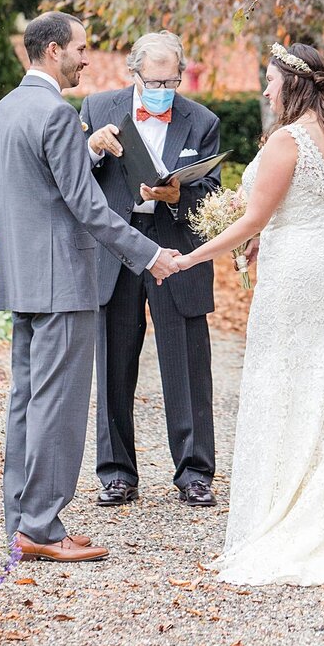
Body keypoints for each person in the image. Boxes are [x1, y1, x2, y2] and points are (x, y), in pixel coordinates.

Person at [177, 41, 324, 586]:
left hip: (300, 274)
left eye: (270, 81)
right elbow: (299, 208)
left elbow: (255, 217)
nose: (264, 89)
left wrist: (190, 257)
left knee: (286, 383)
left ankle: (292, 512)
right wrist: (260, 238)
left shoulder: (287, 139)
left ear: (292, 85)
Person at [0, 13, 180, 564]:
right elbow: (88, 207)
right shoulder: (56, 116)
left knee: (26, 402)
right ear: (52, 51)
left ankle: (20, 522)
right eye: (80, 48)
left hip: (21, 281)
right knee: (60, 406)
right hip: (66, 283)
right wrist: (149, 256)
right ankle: (44, 528)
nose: (87, 58)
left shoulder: (1, 113)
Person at [81, 30, 221, 508]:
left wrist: (181, 196)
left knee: (186, 363)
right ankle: (117, 473)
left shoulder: (202, 121)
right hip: (116, 252)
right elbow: (75, 181)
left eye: (173, 79)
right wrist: (94, 148)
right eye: (156, 79)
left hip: (176, 251)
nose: (165, 87)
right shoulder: (97, 109)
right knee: (113, 363)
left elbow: (212, 196)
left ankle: (195, 472)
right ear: (133, 73)